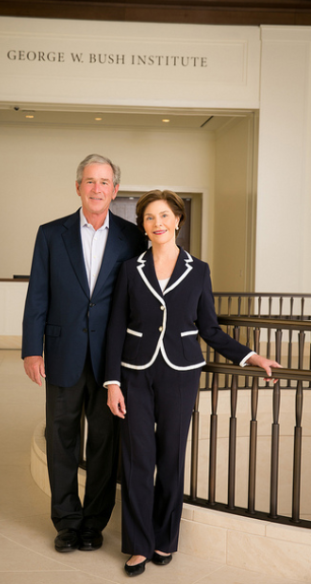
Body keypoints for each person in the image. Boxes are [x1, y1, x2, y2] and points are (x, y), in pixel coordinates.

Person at [105, 190, 281, 577]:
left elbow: (210, 328)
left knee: (171, 459)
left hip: (181, 374)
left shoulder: (198, 270)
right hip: (134, 372)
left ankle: (164, 539)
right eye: (150, 218)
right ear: (143, 226)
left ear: (178, 221)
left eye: (164, 216)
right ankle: (137, 545)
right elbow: (116, 325)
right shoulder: (130, 268)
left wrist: (252, 356)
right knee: (136, 461)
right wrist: (112, 383)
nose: (158, 223)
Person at [22, 154, 147, 554]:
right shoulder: (50, 234)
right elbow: (38, 294)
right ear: (78, 187)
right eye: (90, 181)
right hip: (62, 351)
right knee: (62, 439)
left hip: (112, 360)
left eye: (104, 182)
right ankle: (67, 522)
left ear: (114, 190)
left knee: (104, 443)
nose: (97, 188)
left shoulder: (132, 237)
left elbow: (138, 299)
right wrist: (31, 349)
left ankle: (93, 523)